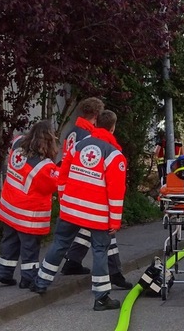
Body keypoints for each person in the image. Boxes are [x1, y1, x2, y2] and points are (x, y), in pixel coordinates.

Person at [31, 110, 127, 311]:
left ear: (96, 124)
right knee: (100, 251)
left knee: (60, 244)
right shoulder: (114, 155)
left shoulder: (78, 146)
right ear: (112, 128)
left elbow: (62, 177)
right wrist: (114, 222)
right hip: (97, 213)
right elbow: (116, 193)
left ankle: (40, 282)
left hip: (72, 209)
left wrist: (65, 201)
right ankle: (101, 298)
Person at [58, 98, 132, 290]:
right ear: (97, 116)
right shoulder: (89, 135)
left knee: (85, 232)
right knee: (106, 236)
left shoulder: (73, 131)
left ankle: (73, 261)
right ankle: (114, 274)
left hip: (74, 189)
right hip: (89, 190)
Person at [0, 120, 59, 288]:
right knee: (29, 246)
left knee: (9, 240)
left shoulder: (17, 143)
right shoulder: (44, 166)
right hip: (27, 214)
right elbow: (52, 185)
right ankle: (28, 278)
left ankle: (3, 272)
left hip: (9, 206)